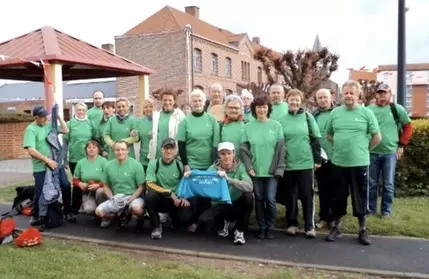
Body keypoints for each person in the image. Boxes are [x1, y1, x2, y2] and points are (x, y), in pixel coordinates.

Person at [325, 80, 381, 245]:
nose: (348, 96)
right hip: (339, 163)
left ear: (358, 95)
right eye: (346, 93)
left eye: (352, 93)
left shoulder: (366, 113)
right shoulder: (335, 113)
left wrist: (364, 149)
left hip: (359, 163)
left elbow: (377, 137)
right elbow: (329, 134)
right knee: (338, 197)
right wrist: (342, 146)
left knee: (360, 196)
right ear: (342, 95)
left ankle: (363, 230)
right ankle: (337, 228)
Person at [241, 96, 285, 239]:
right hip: (256, 171)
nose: (262, 109)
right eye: (259, 107)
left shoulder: (276, 126)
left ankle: (270, 227)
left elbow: (281, 150)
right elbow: (244, 150)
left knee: (270, 199)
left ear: (268, 108)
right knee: (259, 199)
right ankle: (262, 227)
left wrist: (279, 169)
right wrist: (249, 167)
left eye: (264, 107)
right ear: (254, 109)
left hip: (271, 171)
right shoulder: (248, 127)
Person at [279, 89, 322, 238]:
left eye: (297, 100)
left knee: (307, 195)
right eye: (292, 99)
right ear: (287, 100)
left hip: (305, 163)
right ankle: (292, 224)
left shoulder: (308, 117)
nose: (294, 102)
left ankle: (309, 226)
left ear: (301, 101)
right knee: (290, 195)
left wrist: (317, 160)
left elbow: (316, 138)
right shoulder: (281, 120)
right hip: (288, 164)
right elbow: (279, 142)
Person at [23, 106, 75, 225]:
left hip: (56, 163)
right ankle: (36, 214)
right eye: (42, 117)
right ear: (35, 117)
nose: (45, 119)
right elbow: (31, 150)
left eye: (46, 116)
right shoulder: (30, 129)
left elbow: (65, 130)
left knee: (65, 185)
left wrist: (59, 117)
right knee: (40, 190)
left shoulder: (49, 126)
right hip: (41, 166)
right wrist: (47, 160)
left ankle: (67, 211)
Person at [367, 84, 412, 217]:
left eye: (384, 93)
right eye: (379, 93)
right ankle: (371, 209)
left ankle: (386, 211)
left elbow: (408, 127)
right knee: (371, 183)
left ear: (389, 94)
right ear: (376, 95)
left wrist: (401, 145)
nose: (382, 95)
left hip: (390, 153)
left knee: (388, 184)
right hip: (371, 153)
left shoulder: (396, 109)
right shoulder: (368, 110)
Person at [198, 142, 254, 245]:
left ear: (233, 154)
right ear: (219, 155)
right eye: (223, 154)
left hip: (236, 203)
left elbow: (249, 186)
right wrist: (190, 175)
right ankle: (225, 223)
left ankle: (239, 231)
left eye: (229, 153)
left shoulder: (240, 167)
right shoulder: (212, 169)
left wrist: (228, 180)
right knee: (204, 221)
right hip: (220, 204)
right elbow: (201, 184)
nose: (226, 156)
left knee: (248, 197)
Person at [144, 138, 195, 239]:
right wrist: (168, 192)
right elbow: (150, 184)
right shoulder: (154, 164)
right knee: (149, 196)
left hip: (175, 200)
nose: (168, 151)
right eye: (165, 148)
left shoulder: (179, 165)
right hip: (161, 199)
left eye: (171, 148)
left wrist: (183, 197)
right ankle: (156, 226)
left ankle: (174, 217)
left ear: (175, 150)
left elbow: (185, 184)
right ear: (161, 149)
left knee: (186, 219)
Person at [95, 140, 145, 230]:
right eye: (117, 150)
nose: (120, 152)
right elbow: (105, 186)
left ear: (127, 150)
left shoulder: (136, 165)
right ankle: (115, 217)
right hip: (116, 197)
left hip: (132, 197)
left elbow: (141, 187)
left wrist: (129, 201)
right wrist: (112, 198)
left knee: (136, 208)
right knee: (99, 212)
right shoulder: (108, 166)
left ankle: (140, 219)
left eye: (123, 149)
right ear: (114, 151)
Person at [63, 102, 97, 213]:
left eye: (83, 110)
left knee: (90, 181)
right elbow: (65, 142)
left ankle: (90, 204)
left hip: (89, 158)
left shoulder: (91, 124)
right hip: (75, 158)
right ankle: (75, 207)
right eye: (79, 109)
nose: (81, 111)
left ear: (86, 111)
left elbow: (96, 140)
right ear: (75, 111)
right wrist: (64, 158)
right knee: (77, 183)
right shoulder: (70, 124)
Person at [177, 89, 220, 172]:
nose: (197, 103)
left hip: (210, 166)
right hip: (191, 165)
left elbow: (215, 145)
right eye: (194, 101)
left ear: (204, 102)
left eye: (200, 100)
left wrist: (215, 165)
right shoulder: (184, 121)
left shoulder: (212, 120)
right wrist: (185, 165)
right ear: (191, 103)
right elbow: (181, 146)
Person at [313, 88, 335, 229]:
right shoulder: (314, 115)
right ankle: (324, 217)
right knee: (323, 189)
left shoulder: (337, 113)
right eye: (319, 98)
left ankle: (334, 217)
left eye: (324, 97)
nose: (322, 100)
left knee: (336, 190)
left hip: (336, 157)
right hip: (320, 158)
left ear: (331, 98)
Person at [72, 141, 109, 215]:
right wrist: (80, 184)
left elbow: (110, 179)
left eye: (94, 147)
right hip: (87, 192)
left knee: (100, 191)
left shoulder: (104, 162)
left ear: (98, 150)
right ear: (86, 150)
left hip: (102, 191)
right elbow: (75, 179)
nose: (91, 149)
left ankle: (104, 212)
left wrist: (98, 185)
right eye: (89, 147)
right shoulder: (80, 163)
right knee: (89, 210)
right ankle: (89, 208)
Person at [148, 89, 185, 160]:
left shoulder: (179, 115)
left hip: (173, 154)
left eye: (170, 100)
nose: (167, 102)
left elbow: (182, 136)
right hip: (158, 154)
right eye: (165, 100)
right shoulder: (156, 115)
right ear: (161, 101)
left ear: (174, 101)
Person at [219, 94, 246, 158]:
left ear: (241, 109)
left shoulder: (247, 125)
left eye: (236, 108)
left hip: (243, 165)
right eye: (230, 107)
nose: (233, 110)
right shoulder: (220, 126)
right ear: (225, 109)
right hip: (226, 165)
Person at [135, 98, 155, 172]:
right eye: (146, 107)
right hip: (143, 157)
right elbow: (137, 140)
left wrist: (155, 136)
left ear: (154, 108)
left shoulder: (158, 120)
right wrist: (134, 135)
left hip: (156, 156)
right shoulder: (139, 122)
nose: (148, 109)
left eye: (151, 106)